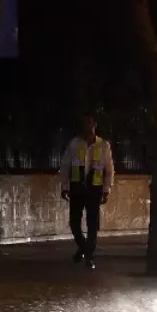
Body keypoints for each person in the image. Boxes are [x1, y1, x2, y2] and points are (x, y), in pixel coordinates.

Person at [58, 114, 115, 269]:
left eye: (90, 123)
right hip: (77, 188)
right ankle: (85, 249)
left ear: (95, 124)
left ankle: (88, 256)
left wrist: (106, 190)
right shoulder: (75, 144)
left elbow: (109, 170)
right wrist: (64, 187)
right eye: (85, 123)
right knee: (74, 224)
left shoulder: (103, 145)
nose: (88, 126)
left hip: (94, 189)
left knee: (92, 225)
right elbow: (65, 166)